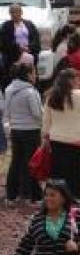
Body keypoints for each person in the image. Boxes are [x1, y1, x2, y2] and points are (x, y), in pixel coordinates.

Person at [44, 68, 80, 200]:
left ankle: (56, 196)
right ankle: (75, 196)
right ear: (71, 81)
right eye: (78, 78)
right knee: (75, 171)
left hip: (56, 138)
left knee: (58, 170)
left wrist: (45, 137)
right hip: (76, 138)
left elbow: (46, 120)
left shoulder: (51, 96)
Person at [3, 62, 43, 204]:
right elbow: (37, 113)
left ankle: (11, 193)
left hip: (15, 129)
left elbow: (6, 111)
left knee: (16, 161)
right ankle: (28, 194)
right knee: (31, 163)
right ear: (28, 75)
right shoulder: (30, 92)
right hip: (31, 130)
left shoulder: (9, 89)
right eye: (33, 73)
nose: (36, 75)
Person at [0, 3, 40, 84]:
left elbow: (36, 39)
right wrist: (18, 48)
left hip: (29, 56)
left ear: (21, 12)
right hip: (13, 58)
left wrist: (29, 48)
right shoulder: (6, 26)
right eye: (12, 12)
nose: (14, 14)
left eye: (16, 12)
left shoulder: (29, 24)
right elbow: (4, 42)